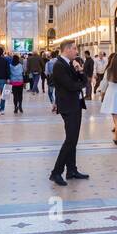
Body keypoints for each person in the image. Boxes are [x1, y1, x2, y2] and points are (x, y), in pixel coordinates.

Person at [49, 41, 89, 186]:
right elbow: (71, 86)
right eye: (74, 49)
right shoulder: (59, 65)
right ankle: (56, 172)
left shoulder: (70, 64)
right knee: (70, 140)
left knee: (73, 139)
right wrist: (81, 84)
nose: (76, 51)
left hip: (75, 104)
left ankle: (71, 170)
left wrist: (80, 71)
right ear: (66, 50)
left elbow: (83, 80)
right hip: (68, 106)